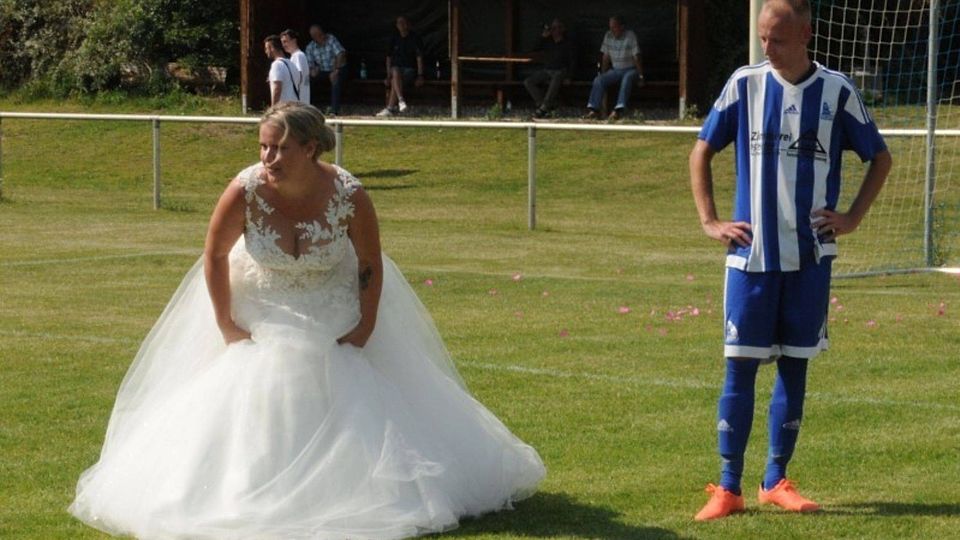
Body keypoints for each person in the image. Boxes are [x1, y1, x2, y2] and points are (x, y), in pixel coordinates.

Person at [68, 102, 546, 539]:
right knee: (268, 365)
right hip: (262, 301)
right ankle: (247, 487)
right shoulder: (246, 188)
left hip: (330, 301)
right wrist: (226, 324)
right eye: (263, 146)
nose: (268, 156)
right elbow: (214, 255)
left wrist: (366, 325)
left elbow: (369, 262)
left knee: (335, 366)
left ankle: (348, 490)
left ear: (311, 147)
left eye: (279, 148)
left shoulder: (349, 194)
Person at [689, 0, 892, 521]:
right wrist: (710, 220)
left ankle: (775, 480)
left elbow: (880, 156)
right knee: (739, 368)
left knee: (795, 368)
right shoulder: (744, 84)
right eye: (762, 37)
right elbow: (701, 150)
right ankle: (728, 487)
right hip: (751, 259)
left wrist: (852, 217)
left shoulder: (837, 92)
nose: (766, 47)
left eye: (777, 38)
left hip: (809, 259)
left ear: (806, 34)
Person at [583, 16, 644, 121]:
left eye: (614, 27)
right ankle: (594, 109)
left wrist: (641, 76)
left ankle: (618, 110)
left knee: (627, 78)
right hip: (615, 70)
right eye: (611, 27)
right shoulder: (608, 35)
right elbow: (605, 57)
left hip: (630, 69)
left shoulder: (630, 36)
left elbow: (636, 57)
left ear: (622, 27)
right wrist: (603, 73)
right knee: (599, 80)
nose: (612, 30)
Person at [524, 18, 575, 119]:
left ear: (562, 29)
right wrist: (542, 37)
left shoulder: (568, 43)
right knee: (528, 81)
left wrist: (570, 76)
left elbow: (573, 61)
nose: (555, 30)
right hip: (547, 70)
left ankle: (544, 107)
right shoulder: (548, 41)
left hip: (561, 70)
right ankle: (543, 105)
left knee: (556, 78)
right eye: (553, 28)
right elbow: (533, 48)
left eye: (557, 28)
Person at [377, 15, 425, 117]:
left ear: (408, 24)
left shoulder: (414, 38)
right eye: (399, 23)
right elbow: (388, 57)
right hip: (396, 71)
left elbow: (419, 57)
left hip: (409, 70)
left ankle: (391, 107)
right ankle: (400, 102)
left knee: (395, 78)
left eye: (403, 22)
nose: (401, 25)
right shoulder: (394, 38)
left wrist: (420, 75)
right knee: (395, 72)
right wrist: (388, 76)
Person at [305, 23, 348, 115]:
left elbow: (340, 54)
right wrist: (313, 70)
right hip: (322, 70)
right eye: (316, 35)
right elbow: (309, 64)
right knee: (307, 79)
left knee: (335, 80)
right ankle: (307, 106)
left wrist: (335, 70)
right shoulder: (310, 47)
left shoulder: (331, 39)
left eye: (320, 34)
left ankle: (334, 110)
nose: (320, 36)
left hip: (337, 68)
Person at [264, 34, 301, 106]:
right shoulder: (291, 64)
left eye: (266, 48)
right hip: (295, 107)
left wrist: (273, 109)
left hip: (284, 109)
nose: (266, 51)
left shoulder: (276, 65)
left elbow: (277, 89)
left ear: (271, 48)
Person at [280, 28, 310, 105]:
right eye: (282, 42)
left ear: (294, 40)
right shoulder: (295, 56)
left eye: (285, 41)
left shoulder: (298, 56)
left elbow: (298, 76)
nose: (283, 45)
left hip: (299, 99)